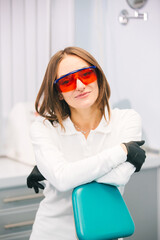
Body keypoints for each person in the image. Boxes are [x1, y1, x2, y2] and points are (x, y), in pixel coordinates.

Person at [27, 46, 146, 240]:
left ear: (97, 77)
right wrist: (122, 151)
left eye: (86, 74)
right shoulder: (43, 128)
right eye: (67, 81)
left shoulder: (127, 120)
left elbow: (119, 178)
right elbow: (63, 179)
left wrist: (61, 172)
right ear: (58, 92)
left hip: (105, 232)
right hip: (53, 233)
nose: (80, 85)